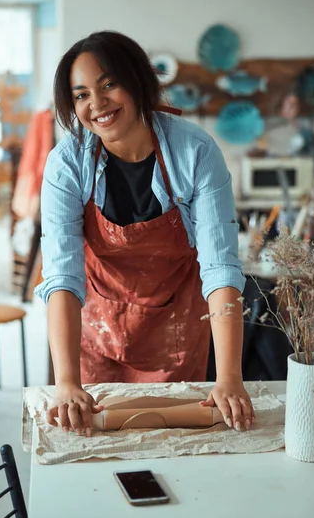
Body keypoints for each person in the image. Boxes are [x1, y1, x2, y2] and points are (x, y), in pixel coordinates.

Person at [35, 31, 255, 437]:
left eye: (108, 85)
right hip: (97, 327)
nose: (96, 105)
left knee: (176, 439)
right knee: (97, 440)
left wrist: (230, 377)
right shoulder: (67, 163)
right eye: (81, 94)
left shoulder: (196, 153)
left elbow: (221, 269)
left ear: (138, 80)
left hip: (176, 326)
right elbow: (63, 276)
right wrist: (66, 382)